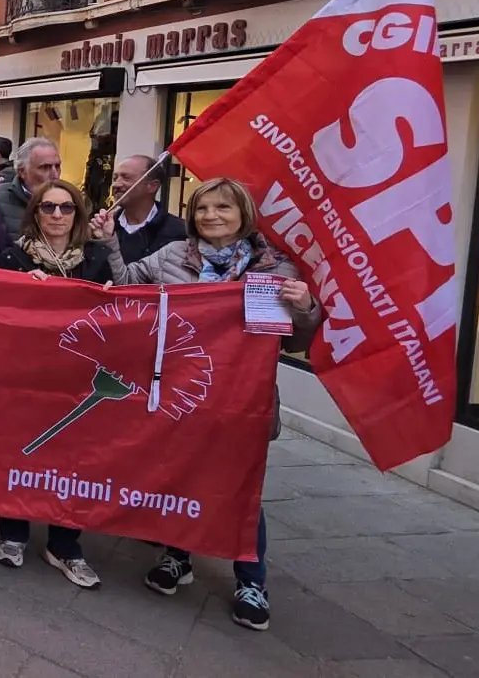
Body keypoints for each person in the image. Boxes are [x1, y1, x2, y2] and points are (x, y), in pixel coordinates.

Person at [96, 176, 319, 631]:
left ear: (244, 215)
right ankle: (178, 555)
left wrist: (306, 307)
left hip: (243, 400)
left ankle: (251, 580)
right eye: (202, 209)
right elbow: (126, 284)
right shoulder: (174, 255)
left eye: (223, 208)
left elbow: (295, 341)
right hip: (183, 393)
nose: (211, 216)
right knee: (180, 476)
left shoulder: (274, 269)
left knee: (241, 489)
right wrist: (109, 242)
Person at [0, 178, 111, 589]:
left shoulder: (95, 260)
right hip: (28, 375)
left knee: (74, 460)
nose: (57, 215)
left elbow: (118, 314)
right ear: (34, 213)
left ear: (77, 215)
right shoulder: (11, 258)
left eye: (66, 208)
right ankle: (14, 532)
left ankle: (64, 544)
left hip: (79, 378)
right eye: (48, 207)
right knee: (23, 451)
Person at [109, 154, 187, 265]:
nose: (116, 184)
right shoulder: (102, 229)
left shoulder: (178, 232)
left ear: (152, 186)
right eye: (115, 178)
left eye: (126, 178)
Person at [0, 137, 62, 251]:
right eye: (45, 167)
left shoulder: (70, 201)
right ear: (22, 171)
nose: (55, 174)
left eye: (58, 166)